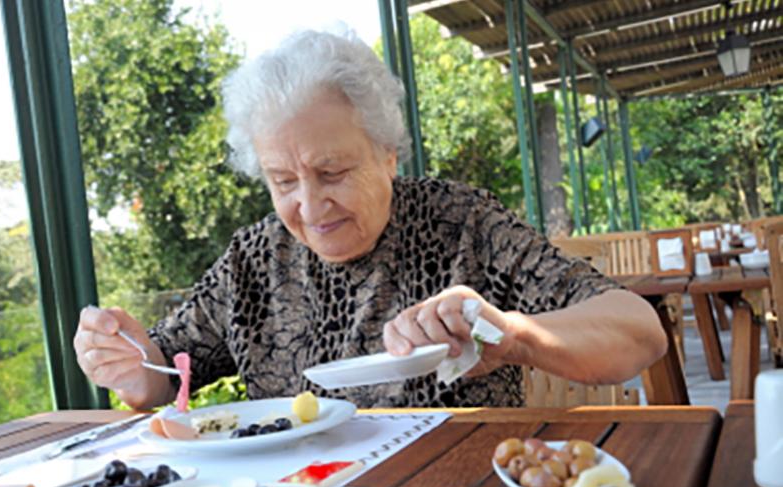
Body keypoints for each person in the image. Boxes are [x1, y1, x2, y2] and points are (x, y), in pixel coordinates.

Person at [74, 28, 666, 410]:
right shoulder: (252, 260)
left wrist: (511, 337)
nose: (307, 206)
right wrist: (128, 363)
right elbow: (163, 376)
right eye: (283, 181)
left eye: (331, 173)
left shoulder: (460, 224)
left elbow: (638, 331)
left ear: (388, 153)